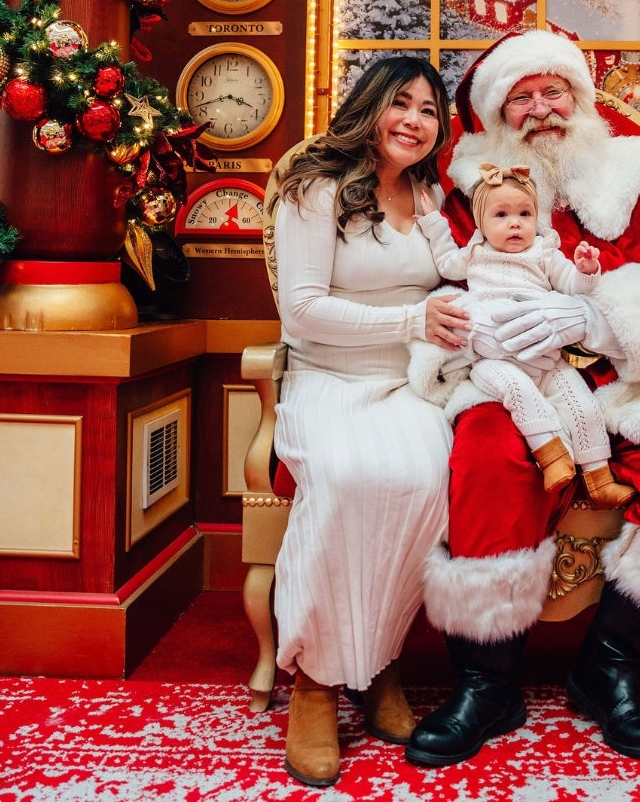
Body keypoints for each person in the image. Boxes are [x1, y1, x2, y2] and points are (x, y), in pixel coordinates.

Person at [404, 29, 640, 767]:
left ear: (581, 97)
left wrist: (598, 318)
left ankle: (609, 667)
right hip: (518, 382)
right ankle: (487, 682)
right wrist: (482, 339)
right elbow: (433, 288)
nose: (541, 110)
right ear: (499, 114)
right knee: (481, 455)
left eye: (553, 91)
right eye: (522, 97)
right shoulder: (465, 193)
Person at [270, 56, 469, 787]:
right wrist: (413, 317)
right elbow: (302, 310)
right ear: (370, 107)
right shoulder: (314, 189)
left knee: (423, 482)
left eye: (428, 110)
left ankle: (376, 662)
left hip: (412, 384)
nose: (415, 120)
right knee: (352, 477)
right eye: (402, 103)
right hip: (328, 379)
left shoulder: (428, 194)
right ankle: (316, 682)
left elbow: (464, 272)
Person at [408, 161, 636, 508]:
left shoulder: (545, 253)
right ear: (481, 223)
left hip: (546, 354)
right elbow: (444, 262)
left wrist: (587, 271)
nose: (515, 223)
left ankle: (599, 477)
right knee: (518, 392)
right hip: (494, 358)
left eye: (524, 214)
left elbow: (572, 286)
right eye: (501, 215)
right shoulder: (475, 255)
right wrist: (432, 222)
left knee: (583, 406)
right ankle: (552, 455)